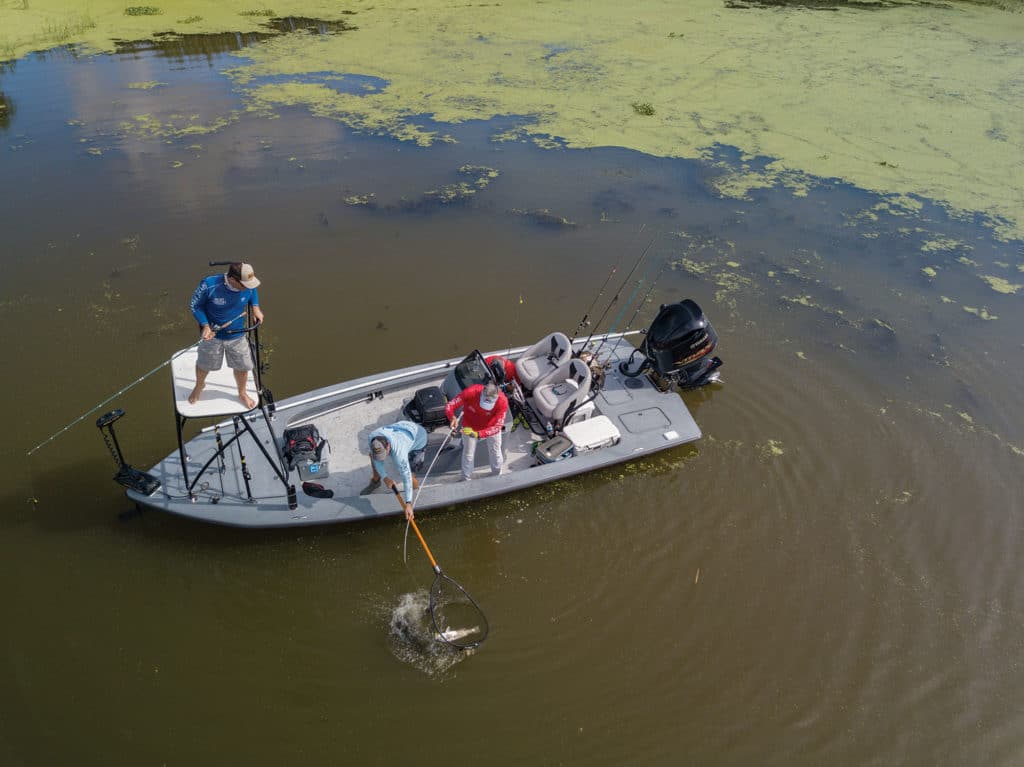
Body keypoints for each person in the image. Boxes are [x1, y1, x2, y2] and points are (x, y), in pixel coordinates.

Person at [188, 262, 265, 410]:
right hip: (213, 335)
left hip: (237, 335)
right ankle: (199, 385)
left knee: (243, 366)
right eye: (244, 285)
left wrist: (255, 307)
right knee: (204, 364)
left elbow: (252, 289)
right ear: (232, 279)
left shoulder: (248, 285)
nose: (248, 287)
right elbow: (195, 305)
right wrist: (205, 325)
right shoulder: (209, 285)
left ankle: (242, 393)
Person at [445, 382, 508, 482]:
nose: (484, 407)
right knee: (468, 454)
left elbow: (497, 426)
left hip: (491, 427)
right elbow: (450, 405)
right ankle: (466, 479)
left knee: (495, 452)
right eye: (484, 402)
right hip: (470, 427)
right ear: (482, 393)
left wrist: (478, 434)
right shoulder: (470, 392)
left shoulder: (503, 401)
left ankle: (497, 475)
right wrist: (452, 417)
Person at [367, 420, 427, 521]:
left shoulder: (399, 454)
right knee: (373, 457)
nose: (382, 459)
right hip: (403, 428)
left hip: (419, 438)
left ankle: (415, 491)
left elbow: (406, 477)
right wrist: (385, 478)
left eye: (383, 455)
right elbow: (377, 460)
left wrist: (408, 503)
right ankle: (376, 481)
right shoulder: (372, 437)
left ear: (388, 446)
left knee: (411, 475)